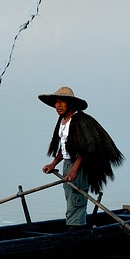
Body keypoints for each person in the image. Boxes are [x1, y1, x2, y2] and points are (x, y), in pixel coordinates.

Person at [39, 86, 123, 229]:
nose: (58, 106)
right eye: (56, 102)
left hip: (79, 166)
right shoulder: (63, 121)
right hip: (68, 164)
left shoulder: (80, 121)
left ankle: (76, 230)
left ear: (70, 104)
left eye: (62, 102)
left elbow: (86, 149)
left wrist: (74, 170)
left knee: (77, 200)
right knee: (71, 198)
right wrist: (53, 163)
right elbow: (65, 147)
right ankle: (75, 227)